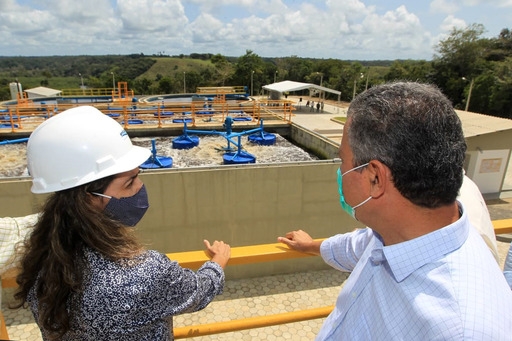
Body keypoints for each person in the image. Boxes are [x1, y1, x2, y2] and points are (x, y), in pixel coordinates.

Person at [278, 82, 512, 340]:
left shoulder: (461, 330)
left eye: (342, 161)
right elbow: (358, 245)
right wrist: (311, 246)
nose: (340, 171)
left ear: (375, 178)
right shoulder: (401, 233)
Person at [11, 106, 231, 340]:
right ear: (89, 200)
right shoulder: (141, 273)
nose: (140, 188)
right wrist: (218, 261)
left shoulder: (42, 258)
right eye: (130, 182)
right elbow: (198, 292)